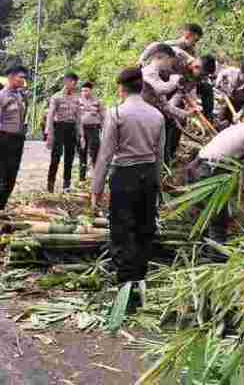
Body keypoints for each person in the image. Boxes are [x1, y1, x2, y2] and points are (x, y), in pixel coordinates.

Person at [91, 67, 165, 310]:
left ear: (121, 88)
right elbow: (160, 156)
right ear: (142, 87)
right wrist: (158, 187)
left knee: (122, 230)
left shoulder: (116, 113)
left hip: (124, 176)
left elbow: (105, 154)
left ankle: (125, 289)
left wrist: (97, 188)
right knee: (145, 228)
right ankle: (140, 281)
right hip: (148, 177)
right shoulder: (157, 115)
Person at [185, 102, 244, 244]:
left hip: (194, 168)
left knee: (203, 212)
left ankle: (198, 247)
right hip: (208, 173)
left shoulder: (232, 129)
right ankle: (216, 259)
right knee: (218, 219)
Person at [141, 44, 194, 165]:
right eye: (170, 62)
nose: (170, 66)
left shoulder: (157, 76)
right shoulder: (147, 72)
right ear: (162, 57)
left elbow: (166, 106)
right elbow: (161, 89)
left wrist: (186, 114)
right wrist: (174, 81)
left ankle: (163, 172)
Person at [0, 66, 30, 210]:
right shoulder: (1, 97)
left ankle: (2, 206)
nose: (23, 80)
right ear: (11, 77)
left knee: (12, 176)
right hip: (5, 139)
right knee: (3, 177)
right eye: (20, 77)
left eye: (24, 77)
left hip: (18, 139)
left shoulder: (20, 95)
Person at [46, 73, 82, 194]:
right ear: (67, 82)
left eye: (75, 83)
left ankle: (66, 184)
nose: (74, 85)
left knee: (69, 156)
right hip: (59, 127)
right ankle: (50, 183)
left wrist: (80, 134)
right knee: (56, 156)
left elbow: (79, 117)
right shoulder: (56, 97)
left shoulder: (77, 98)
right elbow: (50, 115)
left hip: (71, 128)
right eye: (73, 82)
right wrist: (49, 133)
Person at [77, 81, 105, 182]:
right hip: (81, 130)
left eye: (86, 90)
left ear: (91, 91)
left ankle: (96, 176)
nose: (84, 92)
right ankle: (81, 178)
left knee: (95, 152)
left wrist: (104, 130)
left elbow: (103, 116)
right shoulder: (77, 101)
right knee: (82, 153)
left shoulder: (97, 101)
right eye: (82, 90)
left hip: (93, 129)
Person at [138, 23, 204, 65]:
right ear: (188, 35)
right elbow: (155, 45)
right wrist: (142, 60)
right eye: (195, 40)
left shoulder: (192, 51)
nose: (195, 43)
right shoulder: (174, 44)